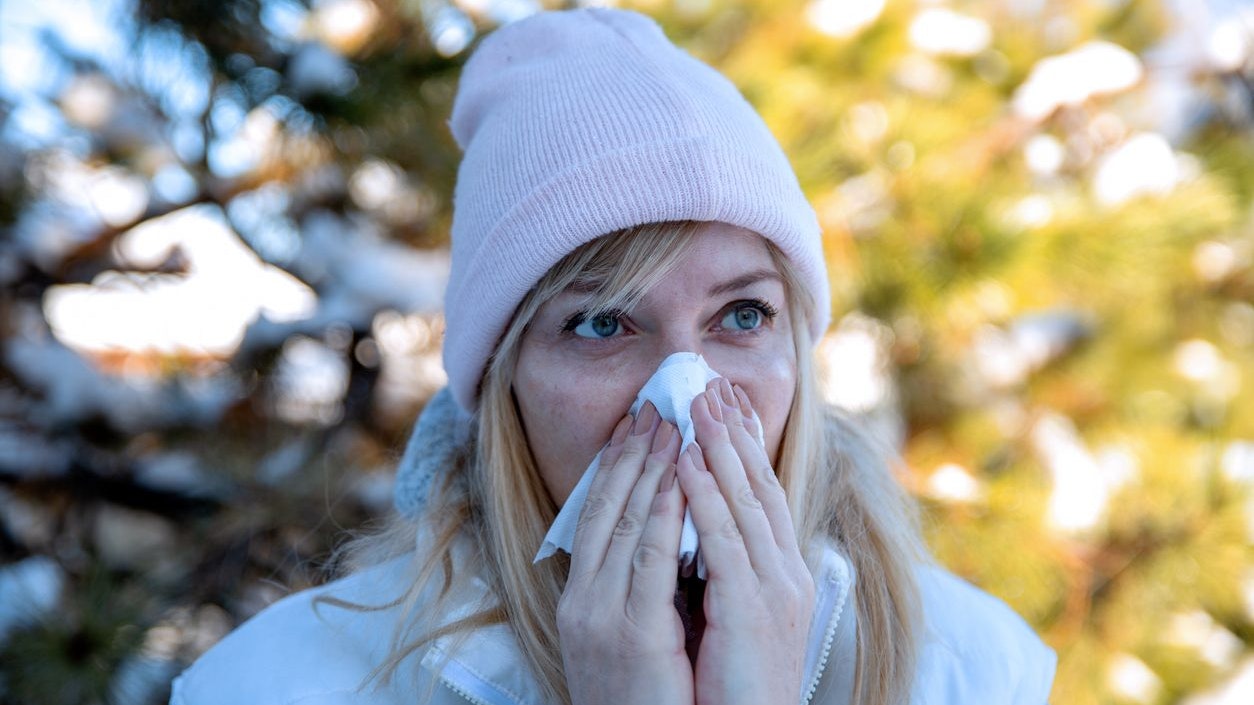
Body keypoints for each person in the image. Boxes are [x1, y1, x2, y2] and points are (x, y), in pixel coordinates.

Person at [170, 8, 1056, 705]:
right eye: (602, 323)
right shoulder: (281, 686)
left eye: (742, 313)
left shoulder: (971, 673)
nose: (684, 393)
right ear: (502, 380)